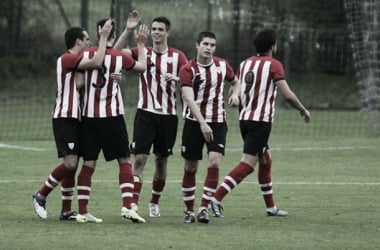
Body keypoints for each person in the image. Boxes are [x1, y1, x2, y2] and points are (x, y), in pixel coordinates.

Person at [209, 28, 311, 219]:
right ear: (273, 45)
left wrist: (234, 98)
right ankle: (215, 199)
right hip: (260, 121)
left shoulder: (245, 63)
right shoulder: (274, 65)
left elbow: (234, 90)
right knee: (248, 164)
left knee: (266, 160)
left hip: (245, 120)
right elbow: (287, 94)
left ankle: (271, 208)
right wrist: (302, 110)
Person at [32, 20, 113, 220]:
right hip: (64, 117)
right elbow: (96, 62)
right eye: (86, 39)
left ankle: (66, 210)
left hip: (75, 117)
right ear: (78, 41)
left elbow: (80, 82)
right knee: (69, 164)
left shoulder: (74, 63)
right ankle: (41, 195)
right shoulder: (67, 58)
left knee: (73, 164)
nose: (89, 42)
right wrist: (103, 37)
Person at [75, 18, 149, 223]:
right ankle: (127, 206)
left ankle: (82, 211)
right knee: (124, 161)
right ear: (112, 35)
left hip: (89, 117)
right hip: (112, 117)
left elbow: (82, 80)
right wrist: (141, 43)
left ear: (97, 34)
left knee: (88, 163)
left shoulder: (86, 54)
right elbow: (143, 67)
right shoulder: (119, 57)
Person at [114, 13, 188, 217]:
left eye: (160, 29)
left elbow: (191, 78)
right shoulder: (142, 52)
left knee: (161, 160)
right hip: (145, 114)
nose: (156, 32)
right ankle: (134, 204)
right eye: (153, 29)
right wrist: (129, 30)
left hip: (168, 116)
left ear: (167, 33)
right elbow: (115, 52)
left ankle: (154, 202)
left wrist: (178, 78)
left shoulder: (178, 56)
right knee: (139, 159)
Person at [179, 31, 240, 224]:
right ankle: (189, 211)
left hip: (218, 121)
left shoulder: (222, 65)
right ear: (197, 45)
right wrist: (202, 123)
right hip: (194, 123)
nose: (209, 48)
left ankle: (203, 208)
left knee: (214, 162)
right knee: (190, 167)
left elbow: (236, 81)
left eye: (212, 45)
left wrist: (235, 94)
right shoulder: (188, 69)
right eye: (205, 44)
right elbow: (188, 98)